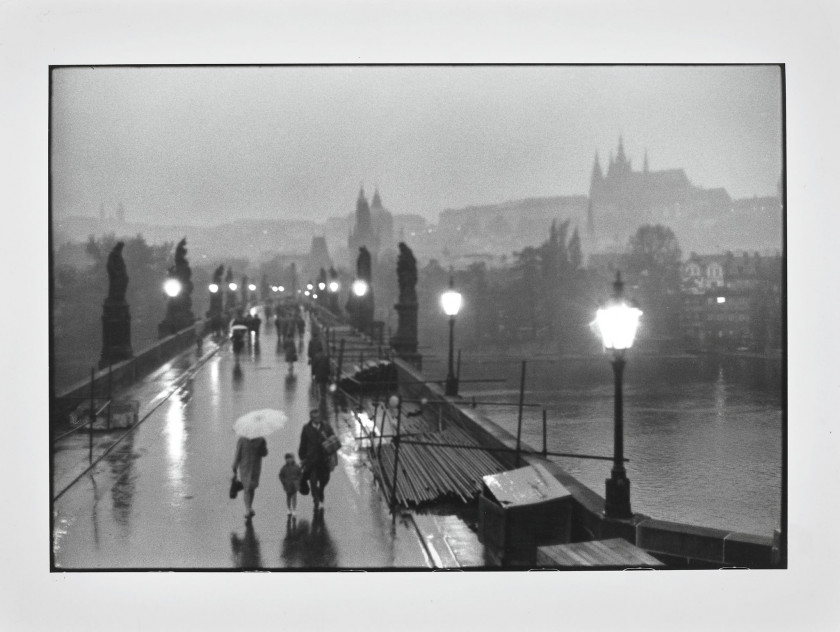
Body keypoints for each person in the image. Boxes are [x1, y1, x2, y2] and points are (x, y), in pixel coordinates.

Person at [298, 409, 336, 510]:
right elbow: (303, 443)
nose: (317, 419)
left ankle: (321, 489)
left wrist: (328, 439)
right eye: (314, 417)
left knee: (325, 479)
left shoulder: (326, 427)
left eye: (318, 417)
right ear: (311, 418)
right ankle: (315, 498)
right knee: (313, 481)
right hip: (312, 460)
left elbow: (334, 438)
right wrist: (302, 457)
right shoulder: (306, 428)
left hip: (324, 459)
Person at [232, 435, 268, 520]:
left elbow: (264, 453)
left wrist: (262, 446)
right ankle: (247, 509)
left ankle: (250, 506)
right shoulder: (242, 439)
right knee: (246, 488)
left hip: (255, 468)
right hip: (245, 467)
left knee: (252, 488)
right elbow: (238, 453)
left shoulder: (260, 440)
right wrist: (235, 465)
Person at [278, 453, 302, 517]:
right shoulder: (284, 468)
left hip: (295, 485)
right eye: (287, 459)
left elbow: (300, 474)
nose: (289, 460)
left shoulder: (297, 467)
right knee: (288, 497)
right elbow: (280, 475)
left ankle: (294, 509)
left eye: (290, 458)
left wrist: (298, 481)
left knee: (294, 497)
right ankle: (289, 509)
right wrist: (284, 482)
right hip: (287, 485)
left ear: (293, 459)